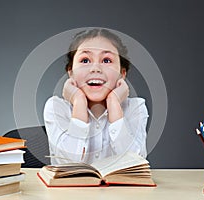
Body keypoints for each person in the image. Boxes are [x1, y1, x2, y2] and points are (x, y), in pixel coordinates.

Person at [44, 28, 149, 164]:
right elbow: (68, 165)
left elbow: (135, 163)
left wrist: (114, 103)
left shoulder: (136, 108)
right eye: (85, 60)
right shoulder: (56, 107)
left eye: (106, 60)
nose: (95, 68)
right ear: (71, 72)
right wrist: (79, 102)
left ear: (122, 73)